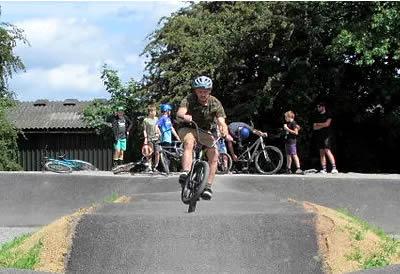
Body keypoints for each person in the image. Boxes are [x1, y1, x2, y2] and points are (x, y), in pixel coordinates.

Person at [176, 75, 233, 200]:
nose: (202, 94)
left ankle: (207, 187)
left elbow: (221, 120)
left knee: (214, 154)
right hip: (188, 127)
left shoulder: (215, 103)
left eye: (205, 91)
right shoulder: (189, 99)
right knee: (189, 142)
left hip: (205, 131)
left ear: (209, 91)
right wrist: (184, 116)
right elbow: (180, 112)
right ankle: (185, 172)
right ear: (195, 91)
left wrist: (223, 127)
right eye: (200, 91)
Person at [312, 101, 338, 174]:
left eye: (319, 107)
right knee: (321, 152)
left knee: (327, 150)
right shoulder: (316, 116)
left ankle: (334, 168)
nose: (317, 108)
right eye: (317, 107)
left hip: (327, 136)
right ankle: (324, 169)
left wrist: (318, 124)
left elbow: (327, 124)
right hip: (319, 136)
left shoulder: (328, 114)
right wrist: (321, 125)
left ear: (323, 107)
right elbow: (314, 128)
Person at [143, 104, 161, 172]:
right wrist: (145, 138)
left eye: (155, 111)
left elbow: (157, 127)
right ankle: (149, 166)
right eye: (154, 111)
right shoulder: (146, 120)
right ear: (150, 112)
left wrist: (159, 133)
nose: (155, 112)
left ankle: (155, 166)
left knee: (157, 152)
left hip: (156, 138)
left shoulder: (156, 118)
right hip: (150, 139)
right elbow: (144, 130)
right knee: (150, 153)